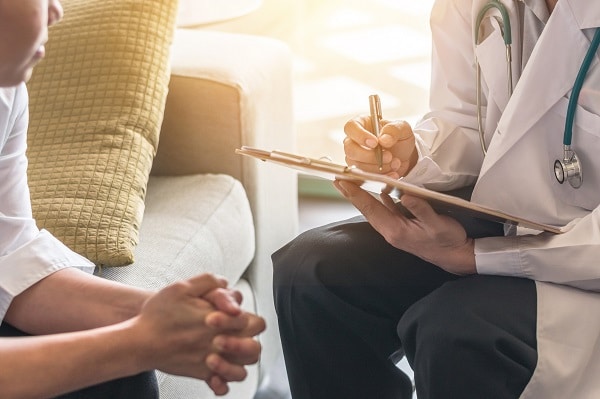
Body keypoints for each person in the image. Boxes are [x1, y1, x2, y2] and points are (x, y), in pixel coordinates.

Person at [273, 0, 600, 398]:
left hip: (587, 268)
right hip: (518, 216)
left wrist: (475, 255)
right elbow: (468, 118)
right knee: (311, 271)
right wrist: (412, 155)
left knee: (456, 334)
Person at [0, 0, 265, 397]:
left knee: (119, 377)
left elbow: (10, 255)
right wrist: (133, 343)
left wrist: (170, 316)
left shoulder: (7, 90)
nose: (57, 10)